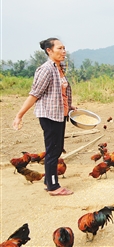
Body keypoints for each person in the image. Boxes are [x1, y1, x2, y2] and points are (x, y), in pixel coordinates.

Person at [13, 37, 76, 196]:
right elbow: (34, 94)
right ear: (49, 50)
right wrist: (19, 116)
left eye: (64, 48)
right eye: (59, 48)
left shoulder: (59, 68)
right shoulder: (46, 70)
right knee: (53, 151)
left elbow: (58, 93)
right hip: (49, 116)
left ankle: (49, 180)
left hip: (60, 114)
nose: (63, 51)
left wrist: (69, 107)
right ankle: (53, 187)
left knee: (56, 149)